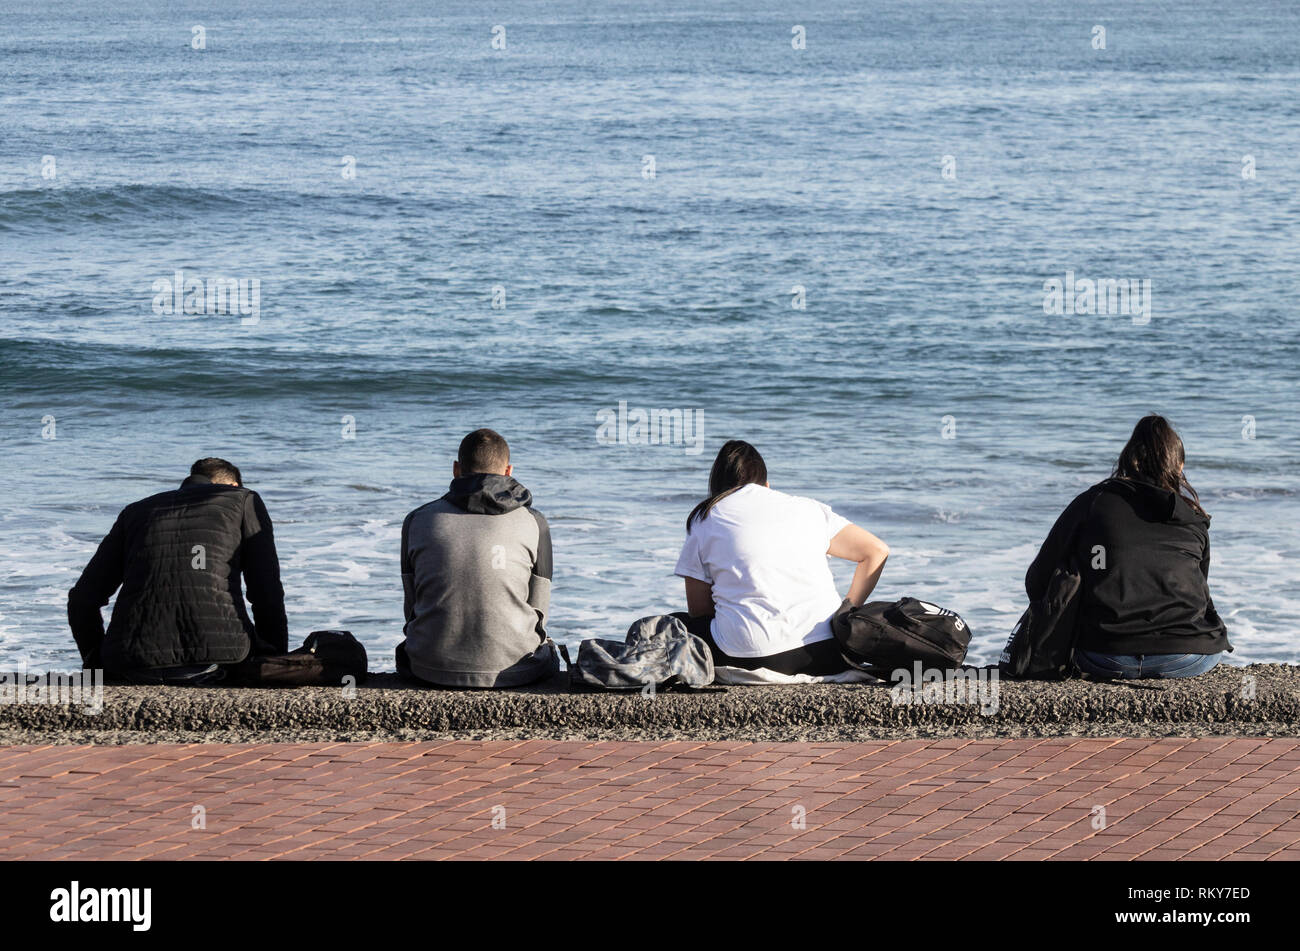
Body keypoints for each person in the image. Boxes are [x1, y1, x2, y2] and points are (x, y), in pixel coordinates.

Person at [1026, 415, 1231, 679]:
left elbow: (1037, 581)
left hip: (1104, 655)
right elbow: (1200, 591)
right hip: (1187, 655)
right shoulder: (1193, 518)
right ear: (1179, 467)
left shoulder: (1093, 503)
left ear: (1128, 459)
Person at [673, 440, 890, 676]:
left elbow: (699, 610)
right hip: (826, 654)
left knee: (678, 625)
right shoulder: (809, 508)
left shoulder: (705, 516)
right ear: (767, 485)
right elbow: (876, 551)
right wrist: (846, 614)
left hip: (746, 657)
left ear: (717, 487)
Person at [67, 457, 288, 684]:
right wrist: (276, 662)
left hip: (128, 663)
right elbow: (266, 591)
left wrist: (95, 662)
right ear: (232, 486)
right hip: (218, 662)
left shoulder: (135, 511)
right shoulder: (243, 499)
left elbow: (82, 599)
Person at [397, 429, 558, 687]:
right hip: (516, 670)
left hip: (428, 666)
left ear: (456, 469)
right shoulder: (534, 522)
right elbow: (540, 610)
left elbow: (412, 607)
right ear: (508, 471)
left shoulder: (417, 520)